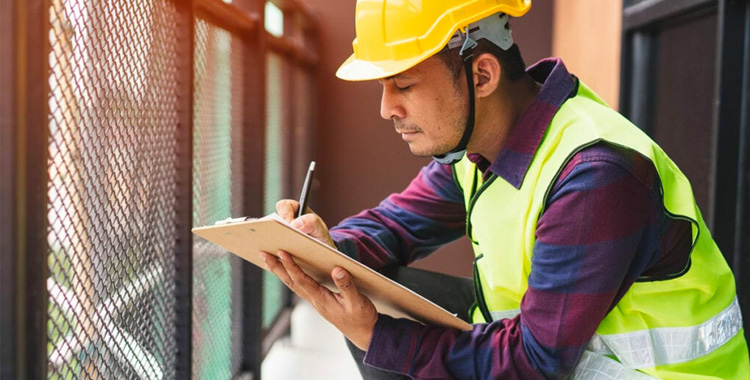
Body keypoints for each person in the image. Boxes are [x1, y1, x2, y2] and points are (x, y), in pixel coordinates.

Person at [260, 0, 750, 379]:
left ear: (482, 74)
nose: (386, 109)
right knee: (371, 293)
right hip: (562, 361)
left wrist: (377, 335)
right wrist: (326, 248)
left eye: (403, 86)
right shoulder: (479, 146)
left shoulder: (594, 176)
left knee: (385, 335)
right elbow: (395, 224)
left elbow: (532, 366)